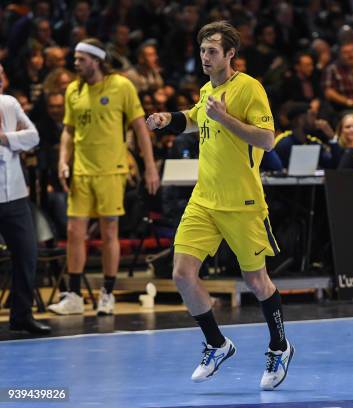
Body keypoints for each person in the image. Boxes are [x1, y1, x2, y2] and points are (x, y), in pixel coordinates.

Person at [146, 21, 294, 391]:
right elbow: (196, 117)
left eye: (212, 51)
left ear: (231, 54)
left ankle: (280, 347)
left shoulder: (249, 88)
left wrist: (224, 118)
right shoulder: (207, 89)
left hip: (242, 203)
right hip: (204, 200)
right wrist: (168, 120)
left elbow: (268, 140)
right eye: (202, 51)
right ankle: (217, 343)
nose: (205, 57)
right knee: (181, 274)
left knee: (256, 281)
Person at [48, 38, 160, 316]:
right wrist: (63, 161)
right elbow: (68, 131)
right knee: (75, 232)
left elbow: (139, 127)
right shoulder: (73, 89)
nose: (76, 64)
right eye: (75, 58)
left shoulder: (121, 86)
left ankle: (107, 294)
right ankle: (74, 295)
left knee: (110, 231)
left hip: (112, 171)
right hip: (81, 172)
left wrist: (149, 167)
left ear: (97, 60)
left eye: (81, 59)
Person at [0, 63, 51, 335]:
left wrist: (7, 138)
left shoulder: (8, 104)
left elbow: (33, 136)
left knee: (27, 255)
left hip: (16, 195)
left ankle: (21, 315)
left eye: (0, 76)